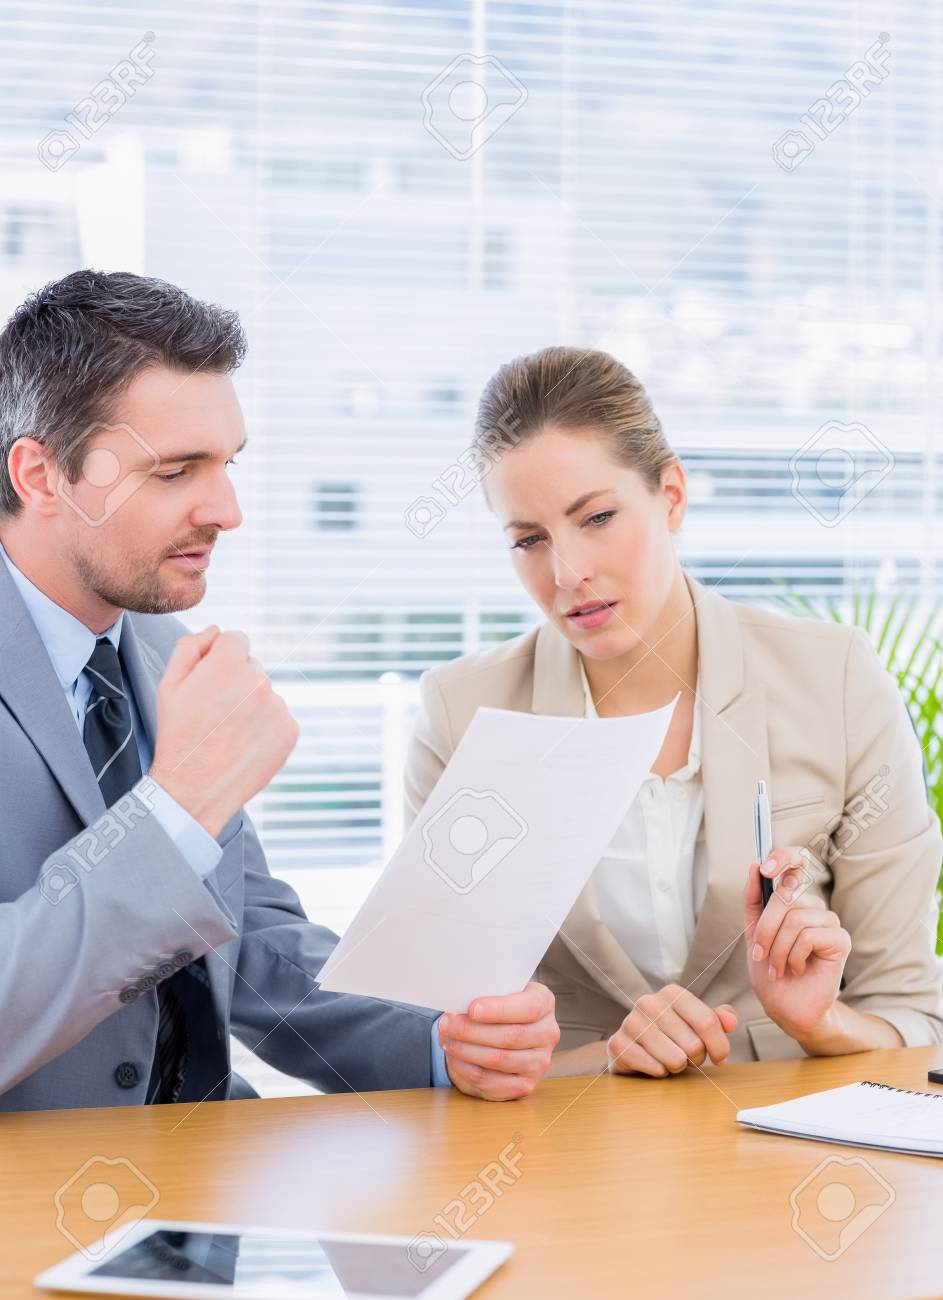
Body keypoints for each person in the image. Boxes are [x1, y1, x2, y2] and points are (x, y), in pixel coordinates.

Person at [0, 270, 559, 1111]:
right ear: (41, 477)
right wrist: (177, 810)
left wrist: (434, 1040)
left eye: (226, 464)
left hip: (205, 1194)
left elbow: (243, 936)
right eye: (175, 472)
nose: (226, 509)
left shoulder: (159, 650)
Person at [407, 345, 943, 1079]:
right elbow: (454, 1037)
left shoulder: (835, 680)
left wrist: (820, 1021)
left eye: (595, 517)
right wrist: (594, 1059)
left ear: (671, 496)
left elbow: (912, 1017)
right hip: (564, 1150)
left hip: (790, 1145)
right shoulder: (461, 713)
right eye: (528, 540)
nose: (567, 574)